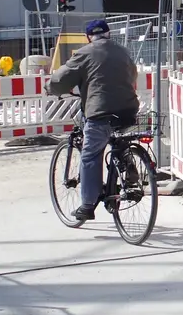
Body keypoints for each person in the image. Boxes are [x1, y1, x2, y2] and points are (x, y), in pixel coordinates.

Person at [46, 19, 139, 223]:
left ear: (88, 37)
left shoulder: (84, 53)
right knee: (118, 139)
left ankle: (87, 205)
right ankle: (127, 163)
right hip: (129, 110)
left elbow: (61, 79)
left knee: (90, 155)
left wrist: (50, 88)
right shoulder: (123, 52)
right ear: (108, 33)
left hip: (100, 113)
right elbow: (133, 76)